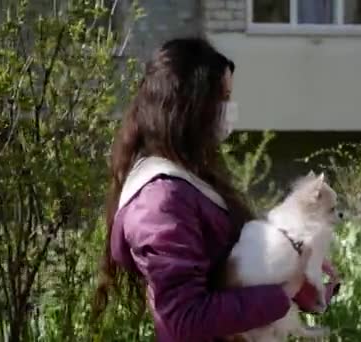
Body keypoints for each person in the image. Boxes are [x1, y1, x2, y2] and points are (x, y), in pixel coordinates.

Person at [93, 37, 337, 341]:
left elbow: (236, 273)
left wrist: (296, 266)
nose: (229, 109)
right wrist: (284, 291)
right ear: (192, 105)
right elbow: (186, 319)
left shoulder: (190, 179)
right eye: (222, 97)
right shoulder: (159, 201)